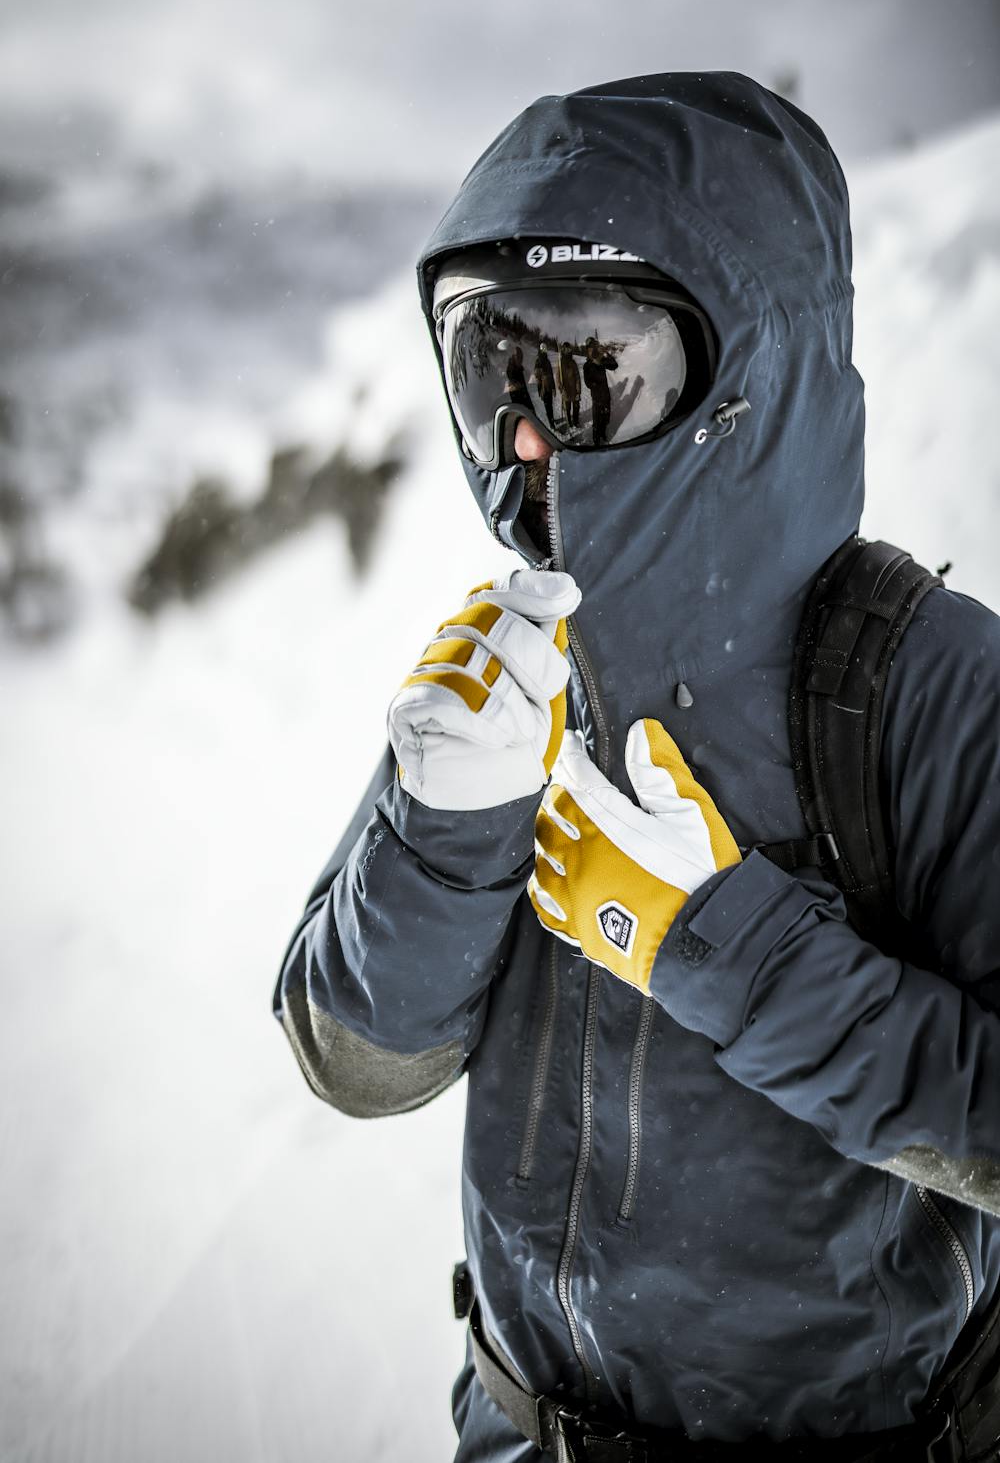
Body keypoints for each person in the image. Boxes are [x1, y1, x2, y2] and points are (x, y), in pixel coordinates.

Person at [273, 72, 1000, 1461]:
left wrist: (718, 944)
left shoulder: (927, 688)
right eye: (492, 377)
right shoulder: (518, 667)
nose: (529, 438)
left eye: (584, 372)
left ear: (749, 369)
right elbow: (353, 1055)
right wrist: (442, 831)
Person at [582, 335, 619, 445]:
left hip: (606, 395)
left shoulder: (602, 359)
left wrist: (606, 353)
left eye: (594, 347)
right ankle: (596, 441)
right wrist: (596, 384)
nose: (592, 350)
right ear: (587, 350)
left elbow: (614, 366)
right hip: (597, 397)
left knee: (606, 418)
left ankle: (603, 434)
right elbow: (588, 383)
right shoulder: (587, 365)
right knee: (597, 421)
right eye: (590, 348)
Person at [557, 340, 582, 428]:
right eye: (565, 349)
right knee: (567, 408)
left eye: (569, 349)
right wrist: (561, 388)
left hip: (574, 390)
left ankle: (576, 421)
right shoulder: (560, 363)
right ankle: (569, 422)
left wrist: (578, 391)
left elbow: (578, 377)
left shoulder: (573, 363)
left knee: (576, 407)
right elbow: (558, 378)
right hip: (566, 390)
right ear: (563, 350)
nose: (567, 351)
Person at [533, 343, 557, 427]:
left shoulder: (547, 361)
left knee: (550, 405)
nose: (545, 351)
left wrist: (554, 388)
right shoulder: (538, 361)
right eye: (543, 350)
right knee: (548, 406)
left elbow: (551, 375)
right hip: (544, 388)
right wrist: (540, 389)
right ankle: (551, 423)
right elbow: (537, 377)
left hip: (549, 386)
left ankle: (552, 419)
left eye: (545, 350)